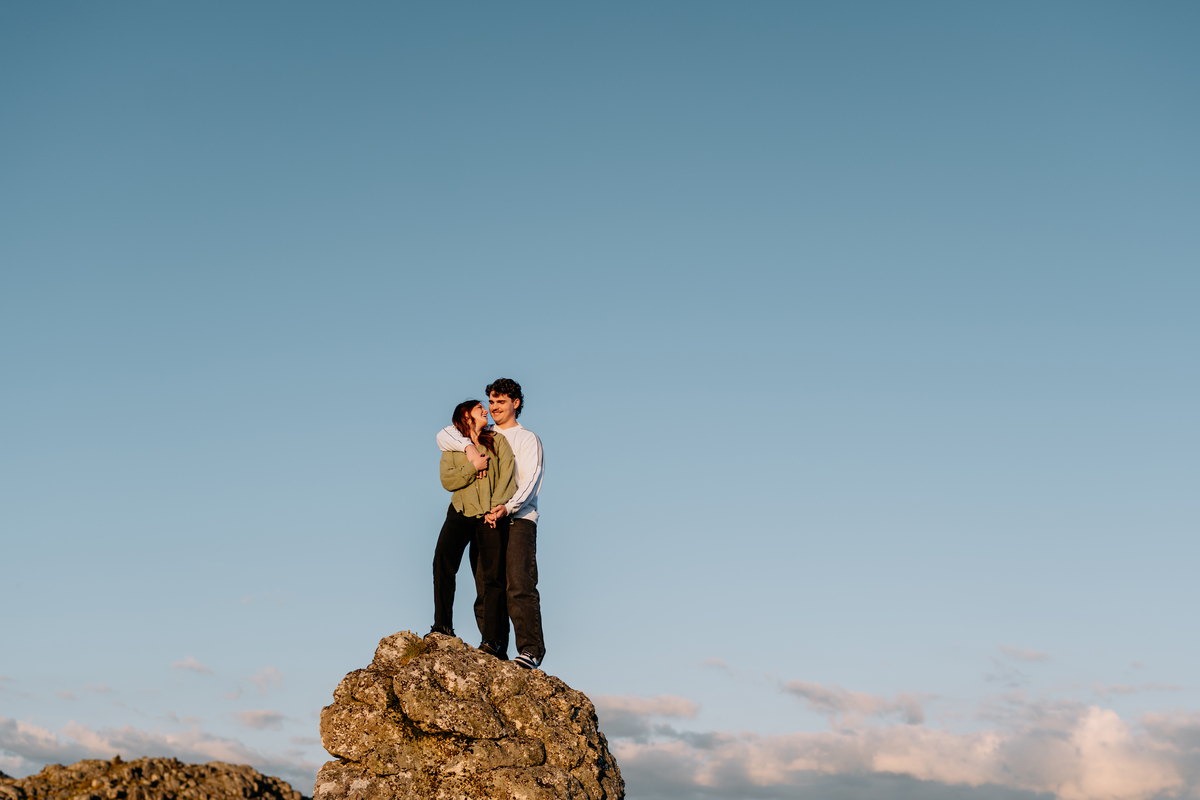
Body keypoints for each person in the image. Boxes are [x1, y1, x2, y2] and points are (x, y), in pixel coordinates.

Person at [437, 377, 545, 670]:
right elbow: (443, 435)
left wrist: (507, 507)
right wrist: (469, 449)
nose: (494, 407)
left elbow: (531, 480)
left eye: (501, 402)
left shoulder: (527, 438)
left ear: (515, 404)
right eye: (491, 402)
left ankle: (531, 650)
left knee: (518, 584)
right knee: (484, 584)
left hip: (518, 518)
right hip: (485, 516)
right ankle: (494, 646)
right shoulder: (483, 435)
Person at [430, 399, 516, 659]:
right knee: (442, 563)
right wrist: (473, 467)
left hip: (489, 516)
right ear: (466, 414)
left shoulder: (497, 441)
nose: (486, 410)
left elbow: (507, 476)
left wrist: (494, 507)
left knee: (492, 578)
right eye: (480, 407)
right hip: (460, 511)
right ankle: (442, 627)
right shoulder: (453, 446)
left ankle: (493, 641)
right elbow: (448, 480)